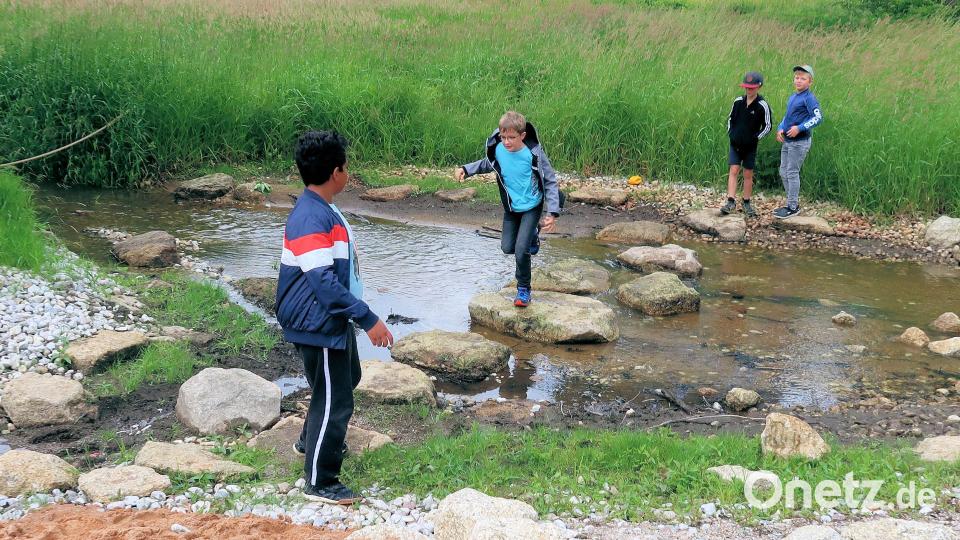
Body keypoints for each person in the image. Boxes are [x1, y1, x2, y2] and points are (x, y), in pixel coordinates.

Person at [275, 130, 394, 505]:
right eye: (346, 166)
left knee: (347, 379)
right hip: (319, 320)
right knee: (336, 399)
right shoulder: (310, 216)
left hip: (328, 319)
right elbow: (323, 284)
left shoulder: (321, 207)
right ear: (336, 172)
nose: (348, 172)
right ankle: (320, 480)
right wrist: (368, 318)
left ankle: (310, 441)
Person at [454, 111, 562, 307]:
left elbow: (551, 181)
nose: (506, 142)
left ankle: (523, 290)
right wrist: (466, 169)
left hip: (532, 206)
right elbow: (488, 164)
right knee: (507, 247)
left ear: (522, 136)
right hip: (512, 209)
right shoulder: (499, 150)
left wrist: (552, 212)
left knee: (521, 251)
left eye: (511, 138)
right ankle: (533, 234)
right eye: (503, 137)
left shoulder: (533, 154)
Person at [774, 64, 823, 219]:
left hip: (800, 142)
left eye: (803, 78)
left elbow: (818, 117)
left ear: (810, 82)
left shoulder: (809, 98)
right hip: (787, 141)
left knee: (792, 172)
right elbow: (787, 117)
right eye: (797, 77)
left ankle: (792, 207)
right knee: (783, 171)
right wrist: (781, 128)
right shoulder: (794, 96)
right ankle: (791, 202)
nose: (799, 81)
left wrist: (800, 128)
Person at [722, 71, 772, 218]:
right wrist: (731, 133)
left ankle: (746, 201)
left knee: (748, 173)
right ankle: (730, 201)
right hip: (735, 143)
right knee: (734, 169)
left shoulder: (762, 105)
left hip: (750, 146)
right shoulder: (738, 101)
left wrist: (756, 138)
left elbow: (768, 126)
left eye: (752, 88)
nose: (749, 90)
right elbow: (731, 119)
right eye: (747, 87)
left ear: (759, 87)